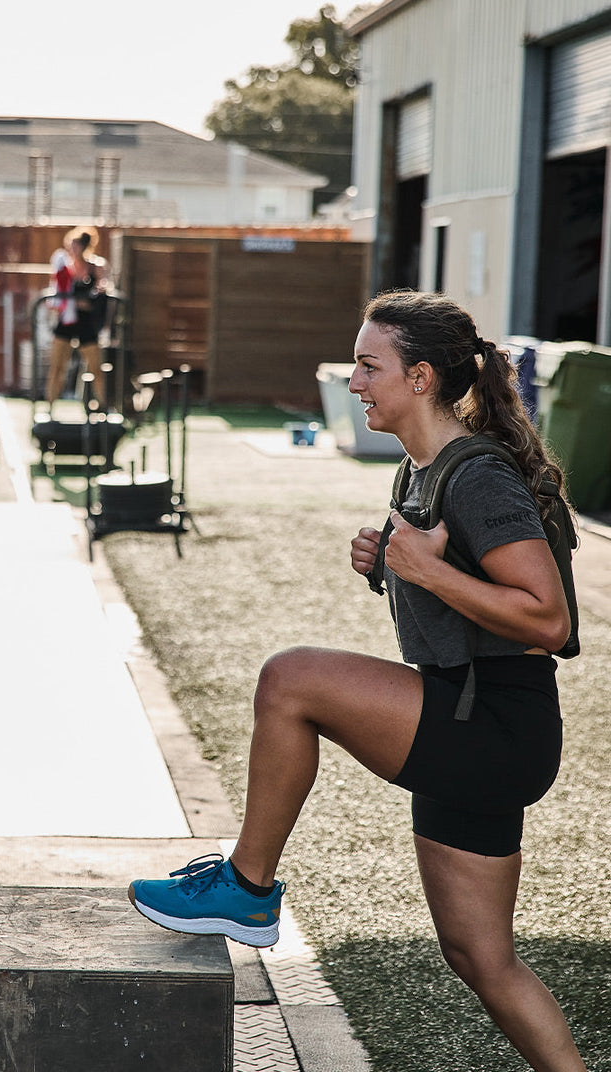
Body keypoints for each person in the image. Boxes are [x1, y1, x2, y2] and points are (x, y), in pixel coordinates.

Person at [129, 290, 588, 1071]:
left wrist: (427, 571)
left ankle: (247, 885)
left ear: (420, 378)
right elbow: (462, 581)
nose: (353, 383)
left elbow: (550, 622)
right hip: (474, 720)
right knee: (480, 958)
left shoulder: (477, 476)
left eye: (368, 367)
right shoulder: (425, 470)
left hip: (495, 724)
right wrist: (395, 567)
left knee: (292, 680)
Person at [45, 225, 109, 409]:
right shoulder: (64, 269)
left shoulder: (95, 267)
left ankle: (103, 405)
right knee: (57, 367)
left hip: (86, 323)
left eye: (76, 245)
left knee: (96, 367)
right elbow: (55, 293)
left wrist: (85, 300)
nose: (72, 249)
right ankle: (49, 406)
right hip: (66, 322)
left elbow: (100, 293)